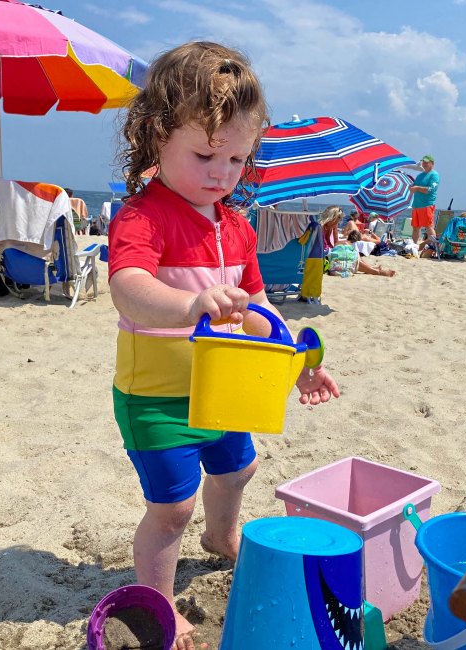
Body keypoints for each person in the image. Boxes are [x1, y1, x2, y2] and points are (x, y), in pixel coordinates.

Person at [107, 41, 339, 650]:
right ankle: (160, 605)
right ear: (158, 138)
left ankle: (220, 537)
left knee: (240, 468)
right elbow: (127, 288)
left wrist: (297, 366)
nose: (222, 173)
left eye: (237, 159)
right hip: (156, 397)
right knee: (171, 511)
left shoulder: (235, 225)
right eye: (207, 153)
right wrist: (187, 305)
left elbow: (261, 311)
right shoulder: (143, 216)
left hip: (224, 390)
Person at [408, 154, 440, 245]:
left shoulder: (434, 175)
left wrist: (417, 188)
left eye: (426, 162)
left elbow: (431, 190)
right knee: (415, 228)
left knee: (429, 227)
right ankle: (414, 246)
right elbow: (413, 188)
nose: (424, 164)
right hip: (416, 205)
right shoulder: (419, 175)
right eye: (423, 162)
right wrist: (411, 188)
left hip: (427, 205)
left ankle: (433, 247)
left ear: (432, 163)